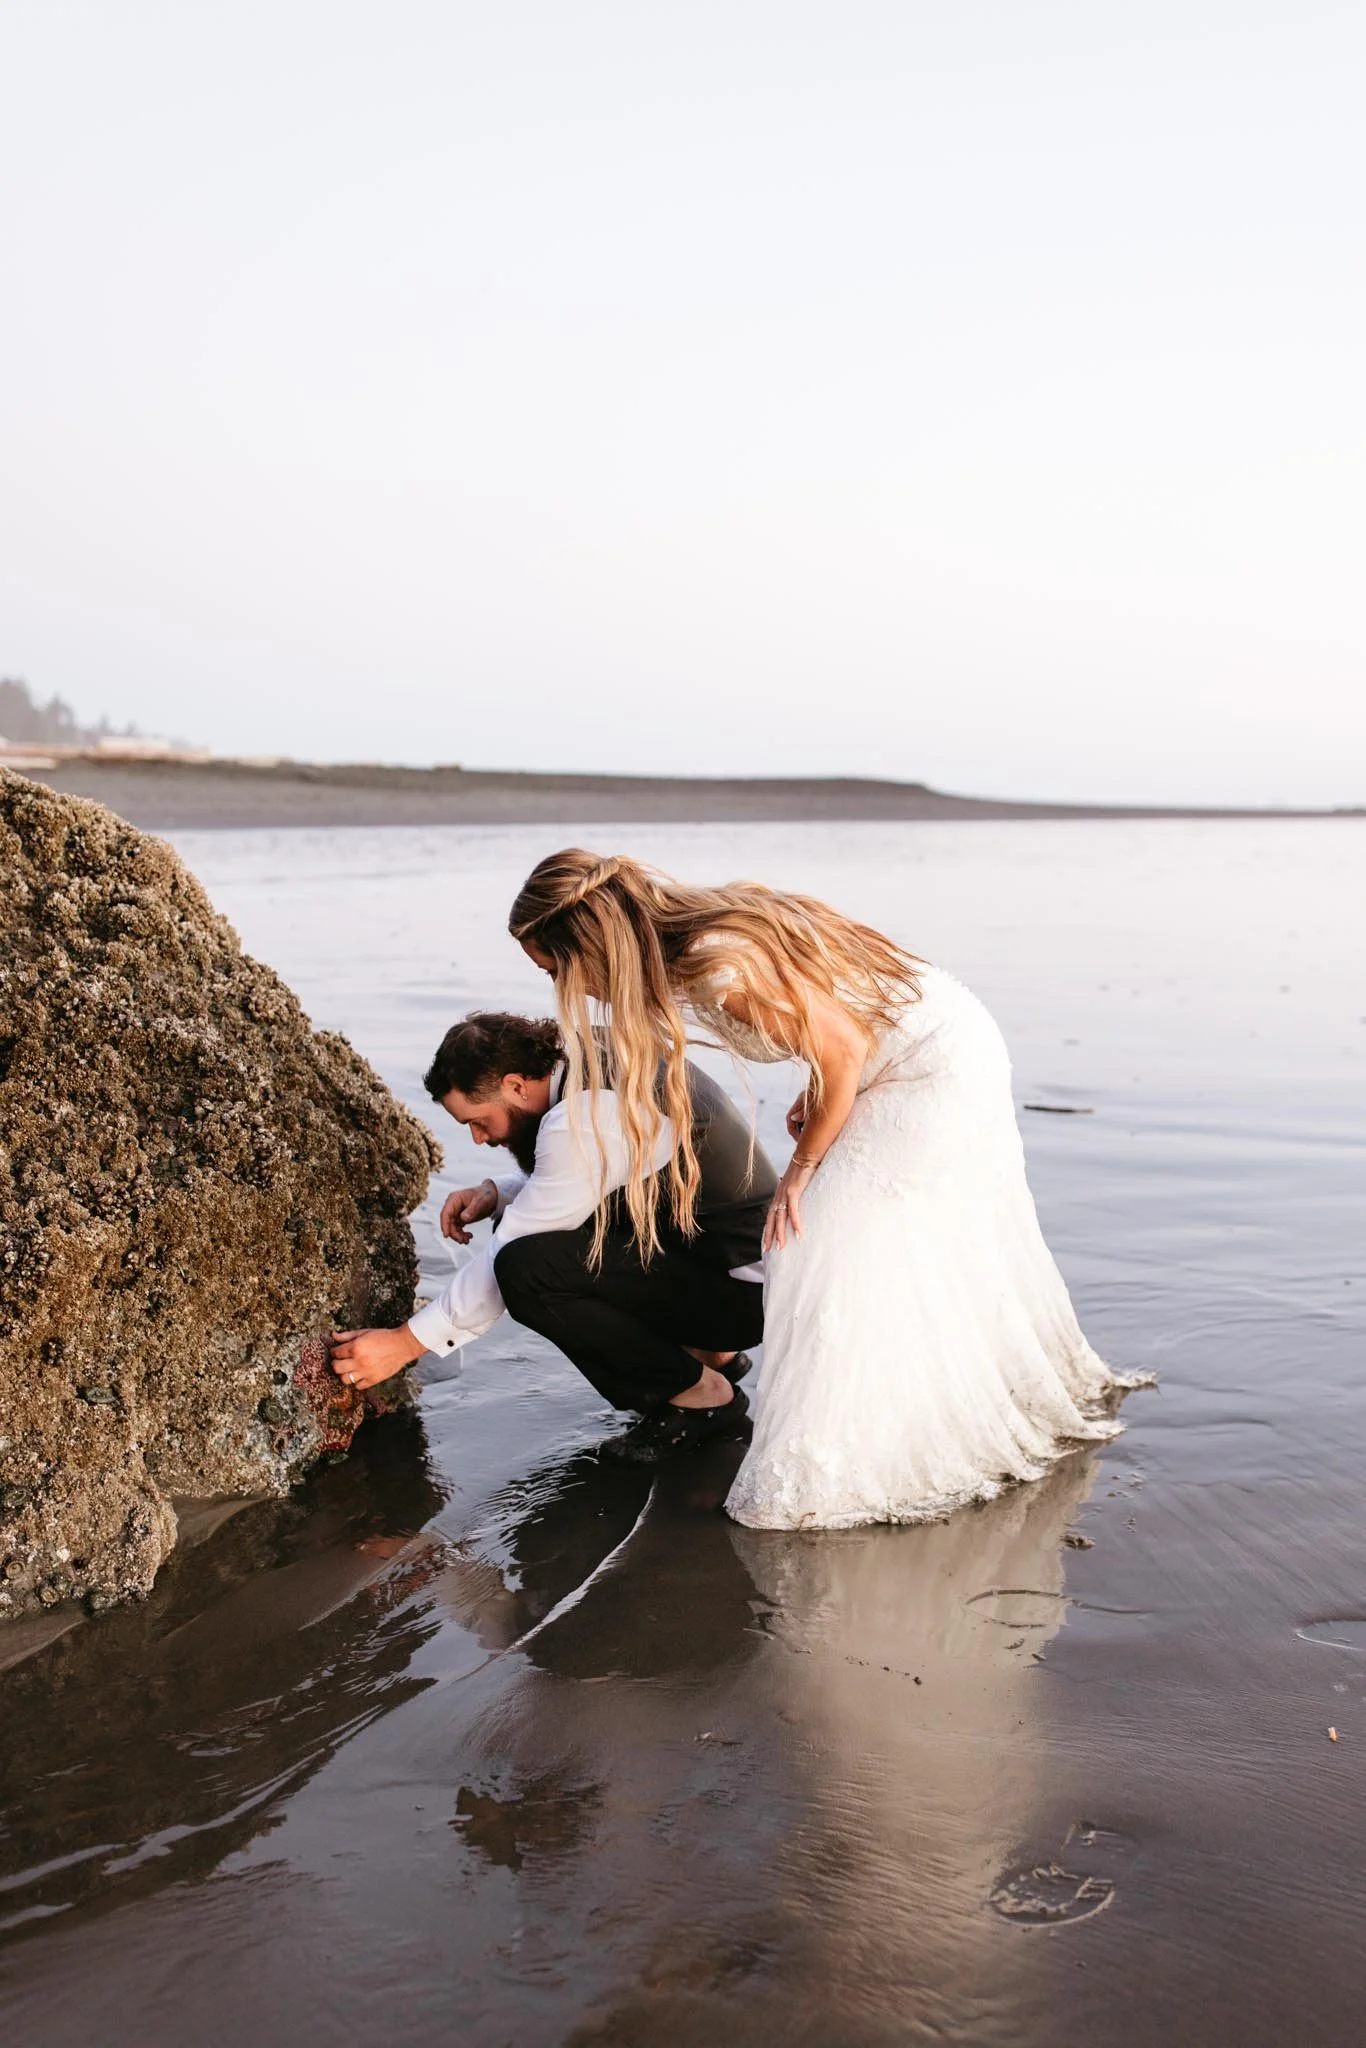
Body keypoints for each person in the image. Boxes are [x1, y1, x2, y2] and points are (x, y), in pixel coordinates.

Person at [507, 848, 1141, 1530]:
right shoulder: (692, 939)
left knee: (820, 1243)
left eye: (558, 970)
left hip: (928, 1069)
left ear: (592, 944)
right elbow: (837, 1015)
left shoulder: (715, 964)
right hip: (906, 1046)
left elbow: (842, 1048)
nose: (572, 990)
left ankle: (864, 1455)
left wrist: (801, 1170)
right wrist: (818, 1090)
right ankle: (897, 1418)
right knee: (847, 1247)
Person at [329, 1011, 776, 1463]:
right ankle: (710, 1355)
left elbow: (511, 1250)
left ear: (516, 1086)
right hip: (732, 1267)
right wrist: (498, 1192)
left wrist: (403, 1344)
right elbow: (599, 1173)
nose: (479, 1139)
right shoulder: (586, 1057)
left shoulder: (586, 1113)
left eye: (479, 1121)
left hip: (740, 1294)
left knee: (526, 1268)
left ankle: (700, 1395)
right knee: (528, 1233)